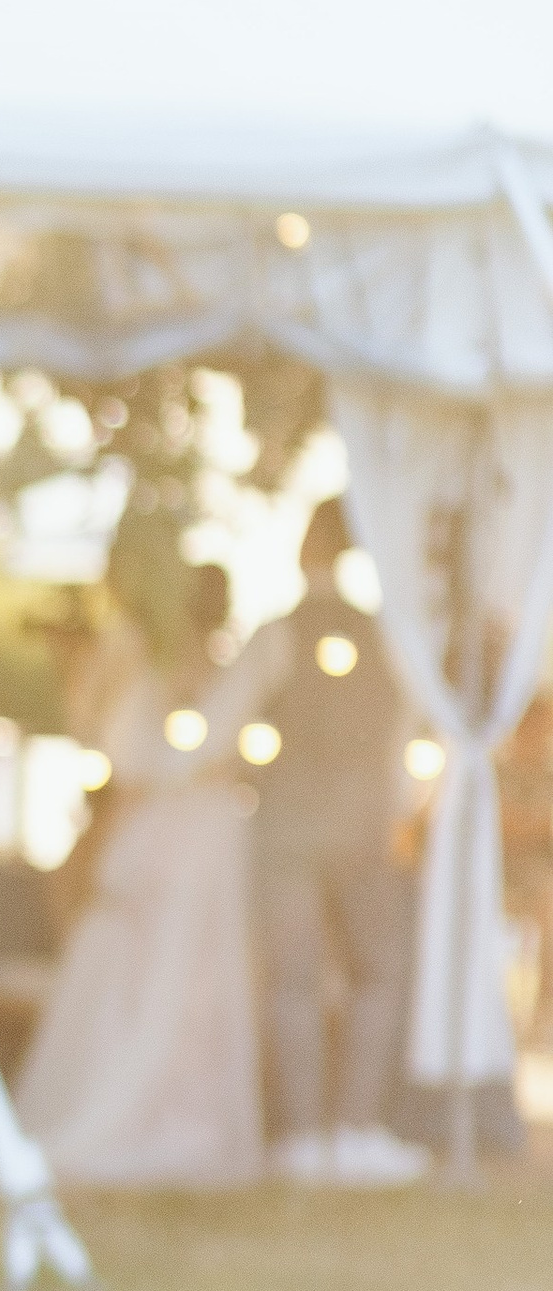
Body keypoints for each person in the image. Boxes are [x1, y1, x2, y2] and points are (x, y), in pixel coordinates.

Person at [16, 563, 272, 1190]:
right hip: (199, 845)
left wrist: (101, 855)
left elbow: (130, 777)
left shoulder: (177, 679)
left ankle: (178, 1114)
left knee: (179, 980)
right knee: (168, 978)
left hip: (188, 846)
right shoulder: (204, 679)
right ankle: (170, 1114)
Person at [243, 499, 426, 1185]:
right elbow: (408, 737)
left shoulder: (278, 635)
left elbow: (233, 721)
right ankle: (355, 1127)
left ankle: (301, 1134)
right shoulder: (389, 637)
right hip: (363, 826)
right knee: (377, 973)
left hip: (288, 825)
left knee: (292, 978)